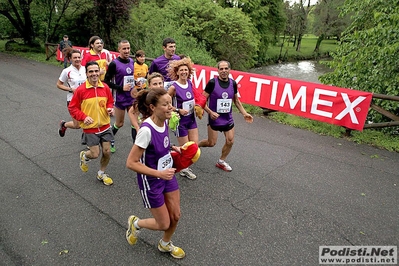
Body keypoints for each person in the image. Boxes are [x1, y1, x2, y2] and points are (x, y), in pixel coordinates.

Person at [125, 87, 185, 259]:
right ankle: (136, 223)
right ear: (152, 107)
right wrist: (158, 174)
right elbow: (130, 163)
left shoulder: (164, 120)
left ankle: (165, 244)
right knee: (163, 223)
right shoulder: (145, 131)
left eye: (170, 103)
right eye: (165, 104)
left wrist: (173, 147)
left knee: (176, 215)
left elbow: (160, 144)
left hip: (167, 174)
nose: (170, 107)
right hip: (151, 181)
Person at [198, 60, 254, 172]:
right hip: (215, 118)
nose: (223, 71)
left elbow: (236, 100)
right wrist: (210, 112)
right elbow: (201, 100)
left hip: (227, 118)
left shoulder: (233, 83)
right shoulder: (212, 83)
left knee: (230, 140)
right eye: (221, 69)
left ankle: (221, 161)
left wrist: (244, 113)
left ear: (229, 70)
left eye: (226, 68)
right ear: (218, 70)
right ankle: (194, 146)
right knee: (211, 143)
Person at [68, 61, 115, 185]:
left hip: (105, 125)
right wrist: (83, 117)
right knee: (94, 154)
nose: (94, 74)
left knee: (107, 151)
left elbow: (110, 101)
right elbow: (72, 108)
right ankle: (85, 155)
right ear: (87, 73)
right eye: (91, 71)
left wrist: (110, 108)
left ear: (99, 72)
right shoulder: (81, 90)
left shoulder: (105, 87)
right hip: (90, 128)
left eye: (96, 71)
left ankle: (101, 173)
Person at [167, 57, 198, 180]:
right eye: (181, 70)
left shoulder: (190, 83)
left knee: (194, 146)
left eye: (186, 70)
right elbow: (166, 103)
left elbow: (195, 98)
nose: (184, 72)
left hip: (191, 119)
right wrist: (178, 110)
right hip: (181, 122)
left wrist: (197, 107)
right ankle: (183, 169)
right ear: (177, 72)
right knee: (185, 149)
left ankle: (174, 158)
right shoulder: (174, 87)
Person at [104, 40, 138, 151]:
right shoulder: (114, 64)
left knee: (134, 122)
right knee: (119, 123)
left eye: (128, 48)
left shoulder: (132, 62)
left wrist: (136, 83)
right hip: (119, 97)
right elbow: (106, 81)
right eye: (124, 48)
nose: (127, 51)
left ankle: (136, 146)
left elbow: (130, 77)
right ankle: (109, 139)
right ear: (119, 50)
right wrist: (121, 88)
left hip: (131, 97)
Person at [57, 48, 86, 137]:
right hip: (73, 100)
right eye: (75, 58)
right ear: (70, 59)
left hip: (86, 99)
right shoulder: (66, 71)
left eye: (79, 57)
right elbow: (59, 84)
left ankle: (88, 140)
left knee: (87, 120)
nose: (77, 59)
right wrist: (71, 89)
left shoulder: (85, 69)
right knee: (77, 125)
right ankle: (64, 125)